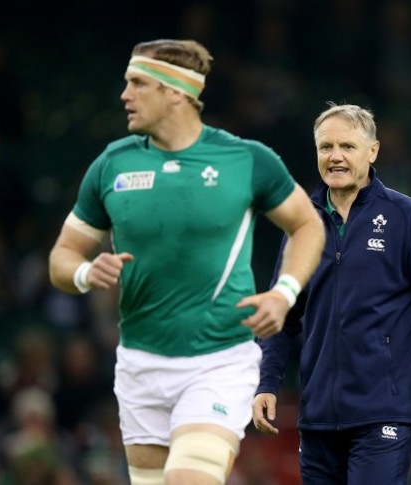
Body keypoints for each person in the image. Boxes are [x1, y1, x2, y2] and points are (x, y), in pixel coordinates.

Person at [48, 39, 325, 485]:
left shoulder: (245, 159)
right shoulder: (112, 164)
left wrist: (284, 292)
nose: (125, 94)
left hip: (218, 361)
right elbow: (62, 256)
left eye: (138, 83)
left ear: (175, 92)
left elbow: (308, 225)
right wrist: (84, 272)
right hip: (140, 365)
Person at [252, 103, 411, 484]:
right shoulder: (302, 224)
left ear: (372, 152)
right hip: (319, 417)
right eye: (326, 147)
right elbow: (282, 313)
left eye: (347, 147)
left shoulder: (406, 218)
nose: (335, 157)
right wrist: (266, 382)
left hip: (385, 415)